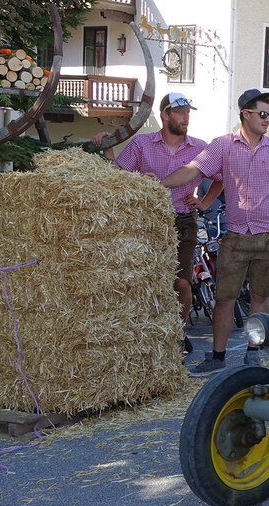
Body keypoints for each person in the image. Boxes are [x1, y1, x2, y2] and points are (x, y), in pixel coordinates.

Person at [162, 88, 269, 376]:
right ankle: (217, 357)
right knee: (224, 298)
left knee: (260, 297)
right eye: (262, 114)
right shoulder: (222, 146)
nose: (267, 119)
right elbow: (192, 170)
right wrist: (158, 184)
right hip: (235, 235)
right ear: (245, 114)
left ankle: (254, 353)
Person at [91, 92, 216, 354]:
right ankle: (147, 335)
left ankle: (176, 334)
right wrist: (108, 152)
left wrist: (205, 202)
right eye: (180, 112)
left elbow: (221, 176)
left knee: (181, 282)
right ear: (165, 115)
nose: (186, 118)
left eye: (188, 112)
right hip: (145, 223)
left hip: (182, 221)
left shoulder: (200, 147)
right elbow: (119, 178)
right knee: (147, 282)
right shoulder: (142, 143)